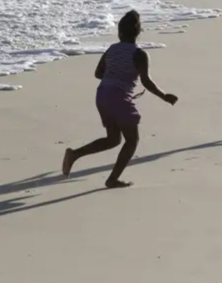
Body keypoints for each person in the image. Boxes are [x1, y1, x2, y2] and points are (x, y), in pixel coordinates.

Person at [62, 10, 178, 188]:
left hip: (102, 94)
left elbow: (98, 73)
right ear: (138, 32)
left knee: (113, 139)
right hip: (118, 96)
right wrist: (164, 96)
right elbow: (146, 81)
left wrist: (116, 77)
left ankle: (75, 154)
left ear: (119, 32)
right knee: (132, 140)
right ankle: (112, 179)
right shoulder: (139, 54)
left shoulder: (112, 49)